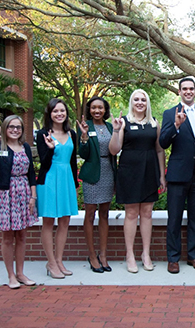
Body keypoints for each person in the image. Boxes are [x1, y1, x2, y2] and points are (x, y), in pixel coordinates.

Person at [159, 78, 195, 274]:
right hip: (177, 175)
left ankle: (194, 256)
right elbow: (163, 143)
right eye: (185, 89)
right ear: (179, 91)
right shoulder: (169, 113)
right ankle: (173, 259)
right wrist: (175, 125)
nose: (188, 92)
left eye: (191, 89)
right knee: (174, 219)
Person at [109, 89, 166, 273]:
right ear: (131, 102)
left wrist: (162, 175)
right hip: (129, 172)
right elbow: (114, 150)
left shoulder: (154, 123)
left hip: (150, 170)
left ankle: (146, 254)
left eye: (143, 99)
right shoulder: (124, 122)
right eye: (136, 99)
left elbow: (159, 150)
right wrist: (116, 130)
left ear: (147, 102)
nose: (140, 102)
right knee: (132, 213)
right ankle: (130, 255)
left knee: (147, 212)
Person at [0, 115, 38, 289]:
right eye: (11, 127)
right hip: (5, 194)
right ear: (5, 127)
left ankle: (21, 273)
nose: (15, 130)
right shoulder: (0, 146)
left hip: (23, 193)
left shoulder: (25, 147)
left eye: (18, 127)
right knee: (8, 237)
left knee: (22, 236)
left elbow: (31, 173)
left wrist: (33, 197)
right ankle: (11, 275)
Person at [37, 98, 79, 279]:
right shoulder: (42, 134)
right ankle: (51, 262)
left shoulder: (72, 134)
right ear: (49, 114)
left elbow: (72, 161)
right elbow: (43, 162)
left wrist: (75, 186)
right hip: (49, 180)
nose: (59, 114)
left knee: (64, 221)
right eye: (55, 111)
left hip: (66, 179)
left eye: (62, 110)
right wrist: (50, 148)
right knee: (48, 222)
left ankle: (59, 260)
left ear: (66, 113)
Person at [77, 97, 117, 273]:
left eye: (100, 107)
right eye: (93, 108)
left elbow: (115, 150)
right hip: (92, 173)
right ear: (89, 110)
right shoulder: (85, 126)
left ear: (105, 109)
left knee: (105, 213)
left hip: (108, 171)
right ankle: (92, 255)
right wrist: (84, 136)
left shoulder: (109, 127)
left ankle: (103, 255)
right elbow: (83, 154)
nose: (97, 111)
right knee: (90, 214)